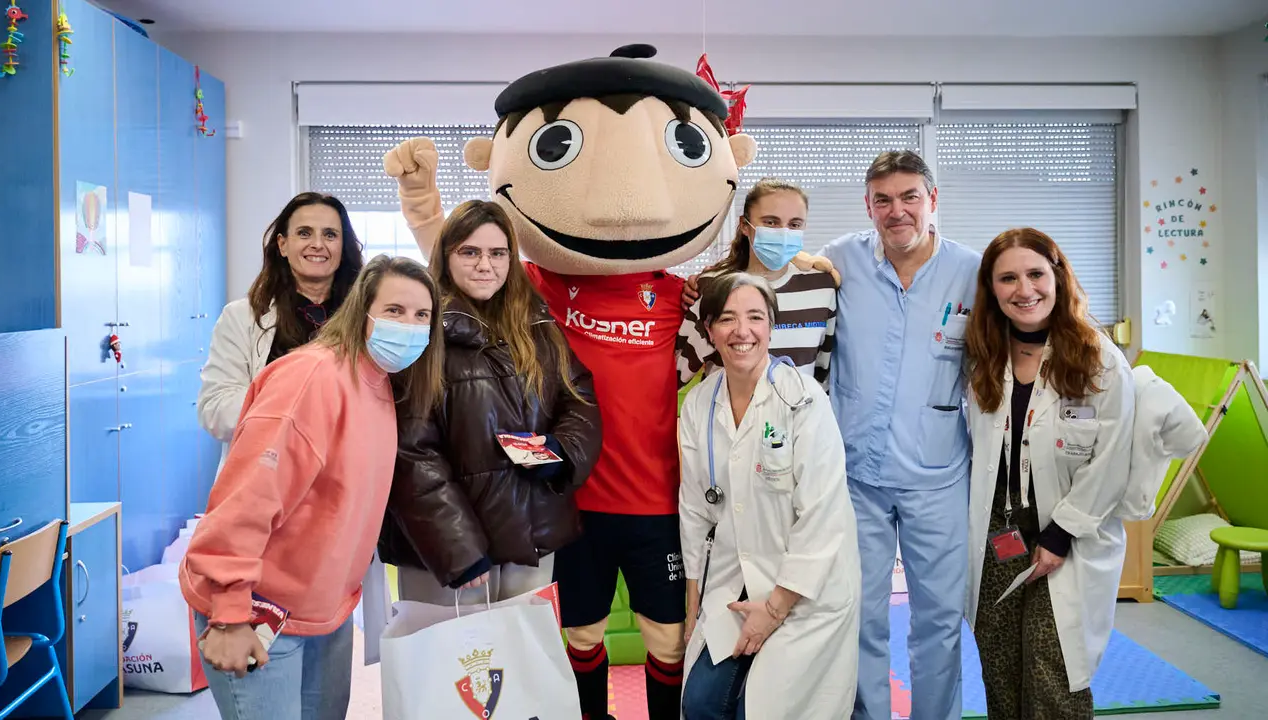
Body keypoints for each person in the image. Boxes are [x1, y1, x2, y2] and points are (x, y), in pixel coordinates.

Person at [383, 44, 762, 719]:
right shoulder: (540, 287)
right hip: (570, 500)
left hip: (658, 500)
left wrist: (802, 261)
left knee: (666, 636)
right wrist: (422, 205)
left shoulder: (676, 296)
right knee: (579, 635)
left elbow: (746, 313)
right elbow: (469, 262)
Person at [180, 255, 445, 720]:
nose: (409, 325)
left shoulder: (378, 382)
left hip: (322, 611)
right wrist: (229, 612)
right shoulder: (312, 378)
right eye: (394, 310)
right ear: (361, 311)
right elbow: (246, 498)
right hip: (256, 608)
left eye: (422, 315)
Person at [818, 150, 981, 720]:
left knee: (939, 618)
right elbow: (770, 288)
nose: (897, 211)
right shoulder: (838, 260)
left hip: (938, 475)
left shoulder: (973, 273)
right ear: (868, 206)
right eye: (882, 200)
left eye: (910, 197)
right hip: (855, 476)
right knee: (859, 615)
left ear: (932, 200)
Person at [379, 200, 603, 605]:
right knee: (451, 648)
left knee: (525, 646)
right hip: (450, 554)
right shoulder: (421, 326)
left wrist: (561, 452)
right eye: (470, 252)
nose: (486, 265)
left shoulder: (536, 322)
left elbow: (578, 397)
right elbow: (411, 451)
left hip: (532, 537)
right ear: (446, 256)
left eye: (498, 253)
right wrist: (457, 548)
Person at [963, 228, 1134, 717]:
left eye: (1036, 274)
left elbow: (1112, 457)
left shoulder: (1098, 359)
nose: (1025, 290)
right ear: (992, 288)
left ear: (1058, 277)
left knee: (1053, 669)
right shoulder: (982, 356)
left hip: (1070, 534)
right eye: (1008, 278)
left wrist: (1061, 534)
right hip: (998, 534)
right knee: (999, 666)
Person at [677, 272, 859, 720]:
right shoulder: (699, 404)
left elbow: (822, 516)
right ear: (709, 330)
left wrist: (775, 608)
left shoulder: (803, 399)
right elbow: (695, 508)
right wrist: (693, 598)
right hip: (735, 578)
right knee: (700, 703)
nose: (742, 331)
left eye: (755, 317)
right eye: (727, 319)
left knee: (761, 711)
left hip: (805, 588)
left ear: (772, 326)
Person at [198, 192, 365, 468]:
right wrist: (292, 401)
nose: (317, 244)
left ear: (342, 246)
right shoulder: (241, 317)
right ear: (283, 245)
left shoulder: (365, 318)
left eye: (330, 235)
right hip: (269, 471)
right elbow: (215, 410)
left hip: (344, 470)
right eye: (304, 233)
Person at [678, 178, 838, 390]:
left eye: (794, 224)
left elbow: (822, 372)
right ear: (745, 225)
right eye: (771, 222)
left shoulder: (821, 286)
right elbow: (678, 369)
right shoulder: (713, 285)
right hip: (726, 409)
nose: (783, 233)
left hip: (797, 409)